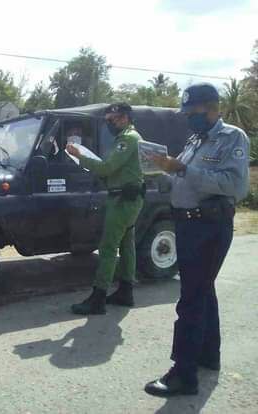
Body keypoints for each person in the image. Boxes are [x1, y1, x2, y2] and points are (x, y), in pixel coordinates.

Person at [144, 83, 250, 397]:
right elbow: (181, 178)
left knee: (191, 298)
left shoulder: (232, 138)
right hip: (189, 225)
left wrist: (183, 169)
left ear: (213, 108)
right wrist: (158, 171)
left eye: (193, 113)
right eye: (186, 113)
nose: (189, 118)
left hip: (210, 225)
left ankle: (183, 374)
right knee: (204, 292)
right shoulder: (194, 139)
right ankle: (208, 355)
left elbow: (235, 186)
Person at [66, 103, 145, 315]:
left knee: (108, 248)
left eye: (115, 119)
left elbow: (107, 168)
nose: (111, 123)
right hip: (128, 199)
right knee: (127, 246)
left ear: (126, 117)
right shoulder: (129, 138)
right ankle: (125, 292)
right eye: (108, 120)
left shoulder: (128, 139)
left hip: (122, 201)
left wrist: (79, 156)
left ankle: (98, 298)